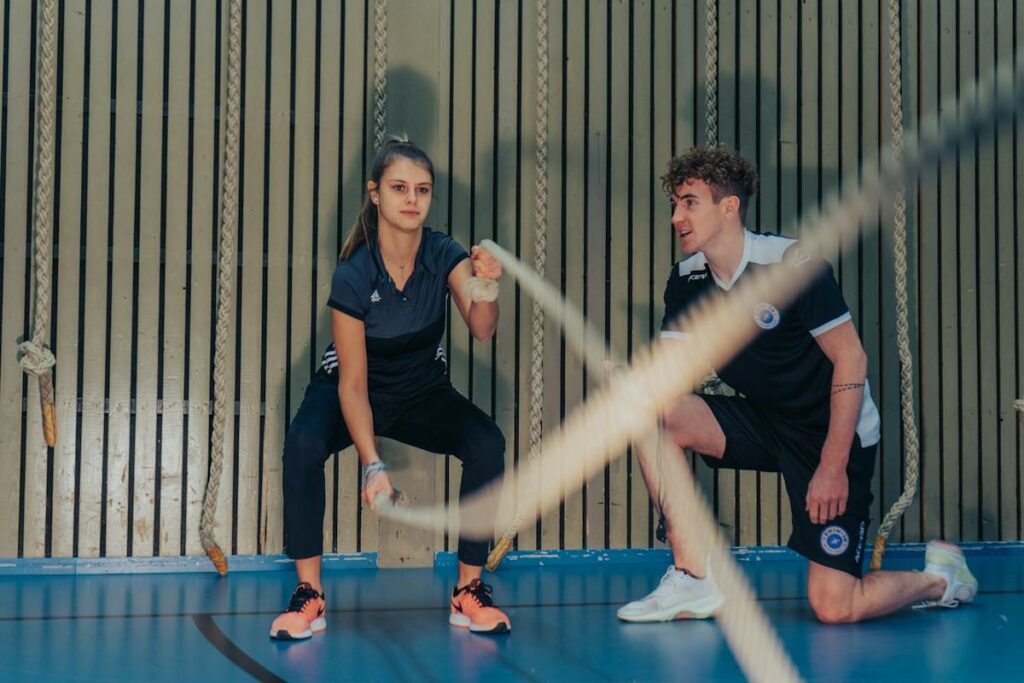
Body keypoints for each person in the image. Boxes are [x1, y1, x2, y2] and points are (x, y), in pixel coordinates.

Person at [618, 146, 977, 624]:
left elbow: (852, 358)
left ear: (730, 207)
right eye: (675, 204)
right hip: (766, 420)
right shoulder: (687, 279)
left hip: (829, 435)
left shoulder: (790, 263)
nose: (676, 217)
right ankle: (692, 578)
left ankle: (943, 578)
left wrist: (832, 465)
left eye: (689, 202)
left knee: (834, 606)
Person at [270, 138, 511, 639]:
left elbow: (483, 329)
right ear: (375, 194)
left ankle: (469, 589)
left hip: (421, 391)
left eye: (422, 190)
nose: (412, 199)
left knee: (487, 442)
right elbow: (354, 385)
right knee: (303, 444)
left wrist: (486, 286)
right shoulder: (354, 275)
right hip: (350, 390)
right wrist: (372, 463)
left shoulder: (444, 253)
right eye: (399, 188)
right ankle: (309, 594)